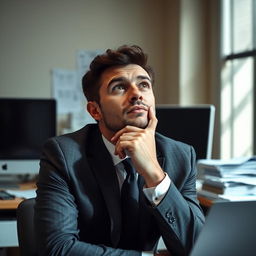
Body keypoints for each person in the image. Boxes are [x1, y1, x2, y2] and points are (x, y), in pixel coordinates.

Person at [34, 45, 205, 256]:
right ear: (95, 110)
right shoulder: (63, 154)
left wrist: (155, 173)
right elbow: (57, 249)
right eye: (119, 87)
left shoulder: (181, 156)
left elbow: (197, 248)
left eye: (144, 85)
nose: (136, 95)